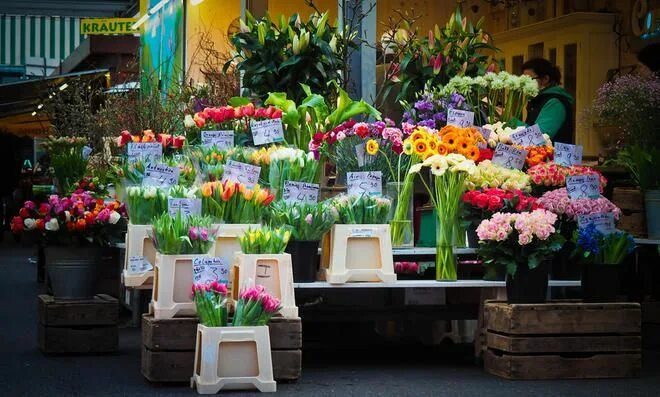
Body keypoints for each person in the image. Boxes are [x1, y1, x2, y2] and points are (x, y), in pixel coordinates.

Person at [515, 58, 575, 144]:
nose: (524, 84)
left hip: (554, 156)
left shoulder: (555, 102)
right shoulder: (538, 99)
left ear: (545, 79)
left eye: (529, 79)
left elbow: (539, 137)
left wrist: (512, 122)